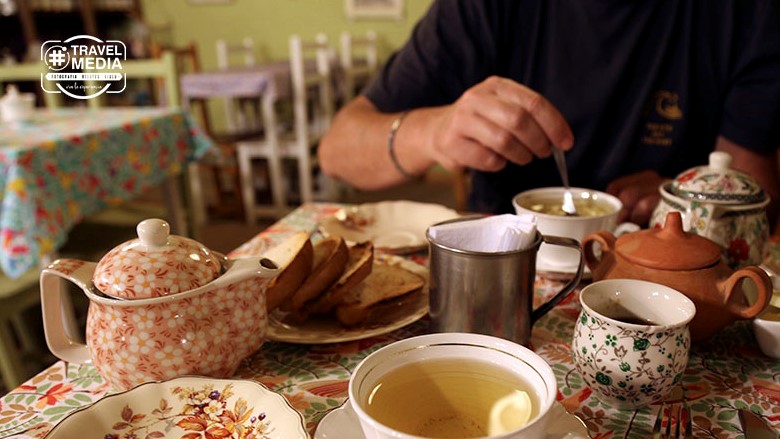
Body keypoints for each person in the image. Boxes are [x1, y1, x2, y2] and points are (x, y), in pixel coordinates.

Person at [318, 0, 780, 228]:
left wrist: (685, 198)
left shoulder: (744, 13)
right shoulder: (484, 8)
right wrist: (432, 132)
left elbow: (755, 187)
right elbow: (338, 151)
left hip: (660, 270)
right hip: (504, 265)